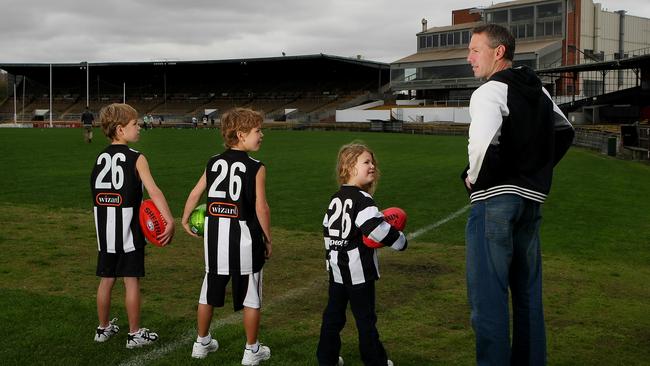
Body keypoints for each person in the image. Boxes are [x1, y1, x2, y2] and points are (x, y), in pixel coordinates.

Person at [461, 24, 574, 365]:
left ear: (498, 52)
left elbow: (481, 146)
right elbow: (566, 130)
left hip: (494, 203)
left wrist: (473, 178)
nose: (469, 58)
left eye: (475, 50)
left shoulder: (488, 92)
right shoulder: (540, 92)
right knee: (527, 295)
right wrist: (536, 173)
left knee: (489, 298)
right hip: (530, 203)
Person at [181, 108, 272, 365]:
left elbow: (196, 191)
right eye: (257, 131)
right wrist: (268, 238)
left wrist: (185, 218)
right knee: (252, 297)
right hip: (245, 241)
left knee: (208, 292)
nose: (262, 135)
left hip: (215, 241)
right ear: (241, 135)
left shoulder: (213, 161)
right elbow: (261, 207)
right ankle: (251, 350)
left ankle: (201, 343)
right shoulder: (256, 167)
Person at [90, 103, 175, 349]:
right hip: (129, 233)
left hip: (105, 232)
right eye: (135, 124)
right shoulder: (137, 158)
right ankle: (134, 333)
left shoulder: (100, 158)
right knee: (131, 280)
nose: (139, 128)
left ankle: (102, 329)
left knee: (106, 279)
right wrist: (169, 218)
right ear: (120, 130)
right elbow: (154, 191)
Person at [317, 142, 408, 366]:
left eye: (372, 162)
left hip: (338, 271)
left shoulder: (336, 198)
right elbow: (376, 229)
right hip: (359, 273)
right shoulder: (364, 200)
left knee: (333, 318)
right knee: (365, 320)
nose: (372, 166)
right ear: (349, 167)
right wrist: (401, 241)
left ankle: (326, 359)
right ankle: (375, 361)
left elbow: (327, 231)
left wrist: (331, 263)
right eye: (366, 162)